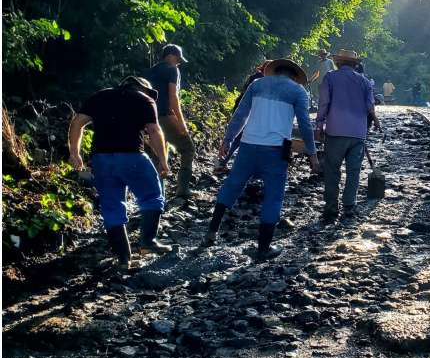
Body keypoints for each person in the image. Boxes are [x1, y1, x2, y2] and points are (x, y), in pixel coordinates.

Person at [203, 59, 320, 261]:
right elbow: (305, 125)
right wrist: (312, 155)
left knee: (232, 185)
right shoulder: (299, 92)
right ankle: (263, 248)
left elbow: (240, 115)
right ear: (294, 76)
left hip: (248, 145)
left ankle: (211, 233)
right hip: (276, 150)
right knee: (273, 196)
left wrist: (227, 140)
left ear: (275, 72)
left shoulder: (257, 85)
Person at [68, 77, 172, 270]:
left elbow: (77, 123)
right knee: (152, 197)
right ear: (142, 89)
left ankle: (124, 259)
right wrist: (163, 161)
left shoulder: (99, 96)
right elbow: (154, 130)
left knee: (112, 207)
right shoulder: (144, 100)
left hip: (102, 160)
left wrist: (75, 153)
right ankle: (148, 242)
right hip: (132, 157)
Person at [316, 49, 381, 221]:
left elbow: (324, 103)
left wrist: (319, 124)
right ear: (355, 64)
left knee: (332, 170)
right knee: (354, 171)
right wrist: (376, 121)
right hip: (358, 133)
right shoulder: (365, 82)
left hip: (335, 131)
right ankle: (349, 206)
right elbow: (370, 107)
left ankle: (331, 208)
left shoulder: (330, 77)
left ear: (338, 63)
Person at [144, 43, 196, 199]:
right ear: (171, 56)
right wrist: (181, 122)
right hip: (165, 117)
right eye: (178, 58)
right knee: (188, 148)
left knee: (158, 154)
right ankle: (183, 189)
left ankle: (157, 193)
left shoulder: (149, 71)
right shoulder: (172, 69)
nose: (179, 62)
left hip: (148, 118)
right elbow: (173, 97)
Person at [213, 59, 272, 174]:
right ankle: (222, 163)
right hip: (247, 112)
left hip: (243, 109)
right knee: (237, 139)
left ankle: (220, 163)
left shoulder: (257, 78)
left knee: (236, 138)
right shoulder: (259, 80)